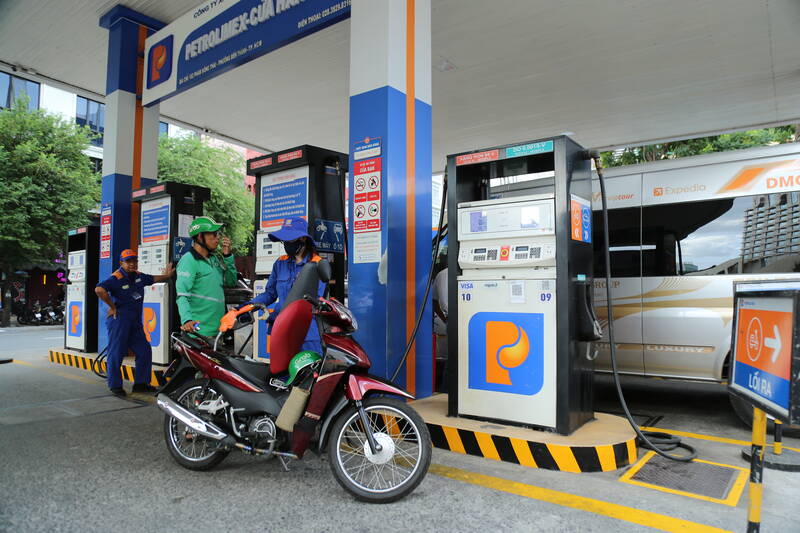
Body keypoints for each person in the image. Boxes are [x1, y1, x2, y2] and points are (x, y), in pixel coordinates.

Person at [245, 218, 326, 372]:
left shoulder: (317, 264)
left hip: (307, 333)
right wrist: (246, 308)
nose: (287, 244)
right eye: (285, 240)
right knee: (280, 377)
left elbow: (311, 300)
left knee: (309, 378)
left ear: (303, 239)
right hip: (281, 331)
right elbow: (270, 293)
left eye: (291, 239)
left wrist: (279, 315)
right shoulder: (280, 263)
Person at [95, 249, 174, 397]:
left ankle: (141, 384)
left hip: (135, 321)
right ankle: (115, 386)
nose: (132, 264)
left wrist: (167, 275)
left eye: (134, 261)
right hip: (120, 320)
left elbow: (153, 279)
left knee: (144, 350)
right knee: (116, 353)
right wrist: (112, 307)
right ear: (121, 263)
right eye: (128, 261)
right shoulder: (116, 278)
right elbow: (99, 289)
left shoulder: (139, 276)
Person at [176, 216, 238, 337]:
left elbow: (231, 282)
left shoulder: (214, 259)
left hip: (218, 331)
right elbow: (182, 296)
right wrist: (187, 320)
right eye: (214, 234)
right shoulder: (188, 261)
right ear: (200, 237)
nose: (218, 238)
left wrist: (228, 256)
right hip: (198, 333)